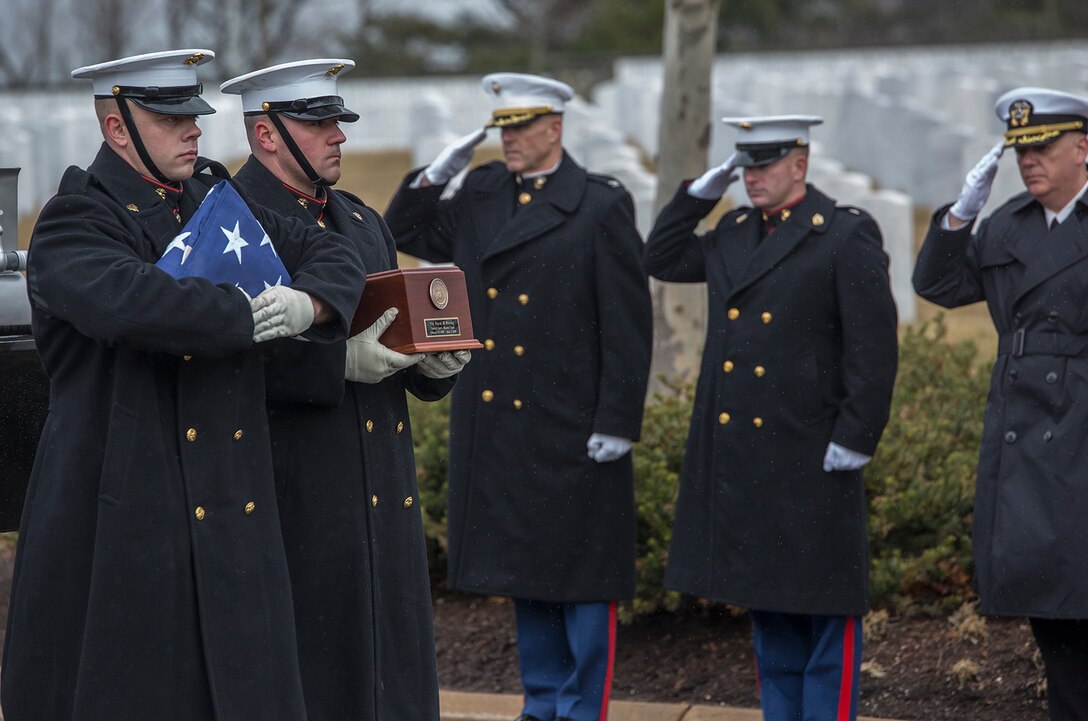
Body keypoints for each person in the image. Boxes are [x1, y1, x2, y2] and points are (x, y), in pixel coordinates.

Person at [1, 49, 364, 721]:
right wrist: (255, 311)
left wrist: (310, 306)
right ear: (118, 131)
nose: (193, 129)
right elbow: (137, 304)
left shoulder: (207, 198)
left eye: (193, 115)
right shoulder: (75, 219)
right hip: (126, 509)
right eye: (170, 120)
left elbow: (333, 252)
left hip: (227, 505)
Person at [385, 72, 653, 721]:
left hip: (572, 416)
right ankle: (541, 702)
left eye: (519, 128)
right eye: (500, 128)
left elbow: (627, 319)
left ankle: (581, 706)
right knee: (525, 574)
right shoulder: (480, 191)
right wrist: (431, 175)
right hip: (502, 415)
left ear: (553, 129)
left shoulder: (598, 202)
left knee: (583, 579)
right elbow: (405, 229)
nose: (506, 140)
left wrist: (618, 416)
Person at [220, 58, 468, 721]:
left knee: (392, 686)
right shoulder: (229, 223)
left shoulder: (360, 221)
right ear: (268, 134)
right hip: (296, 503)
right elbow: (219, 361)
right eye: (320, 124)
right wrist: (335, 366)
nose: (340, 137)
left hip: (382, 502)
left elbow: (386, 338)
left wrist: (429, 371)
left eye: (339, 122)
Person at [645, 116, 899, 721]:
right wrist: (698, 195)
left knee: (824, 615)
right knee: (770, 614)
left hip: (813, 451)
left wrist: (858, 433)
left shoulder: (842, 234)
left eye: (764, 165)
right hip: (748, 458)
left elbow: (873, 347)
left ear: (800, 164)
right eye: (746, 167)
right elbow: (661, 256)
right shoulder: (733, 231)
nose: (752, 178)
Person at [913, 87, 1088, 721]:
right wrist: (959, 218)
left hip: (1080, 425)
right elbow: (937, 285)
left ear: (1082, 148)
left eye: (1042, 148)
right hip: (1024, 430)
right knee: (1054, 615)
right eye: (1021, 151)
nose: (1029, 161)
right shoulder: (1009, 223)